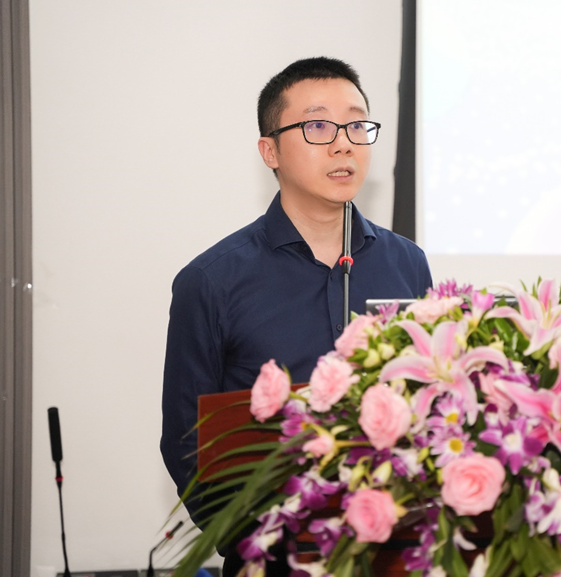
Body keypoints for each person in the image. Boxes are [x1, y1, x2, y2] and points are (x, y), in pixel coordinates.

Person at [160, 57, 433, 575]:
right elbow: (187, 442)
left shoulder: (407, 263)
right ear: (270, 151)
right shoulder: (211, 281)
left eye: (356, 125)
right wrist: (254, 543)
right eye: (318, 126)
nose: (344, 144)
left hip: (396, 553)